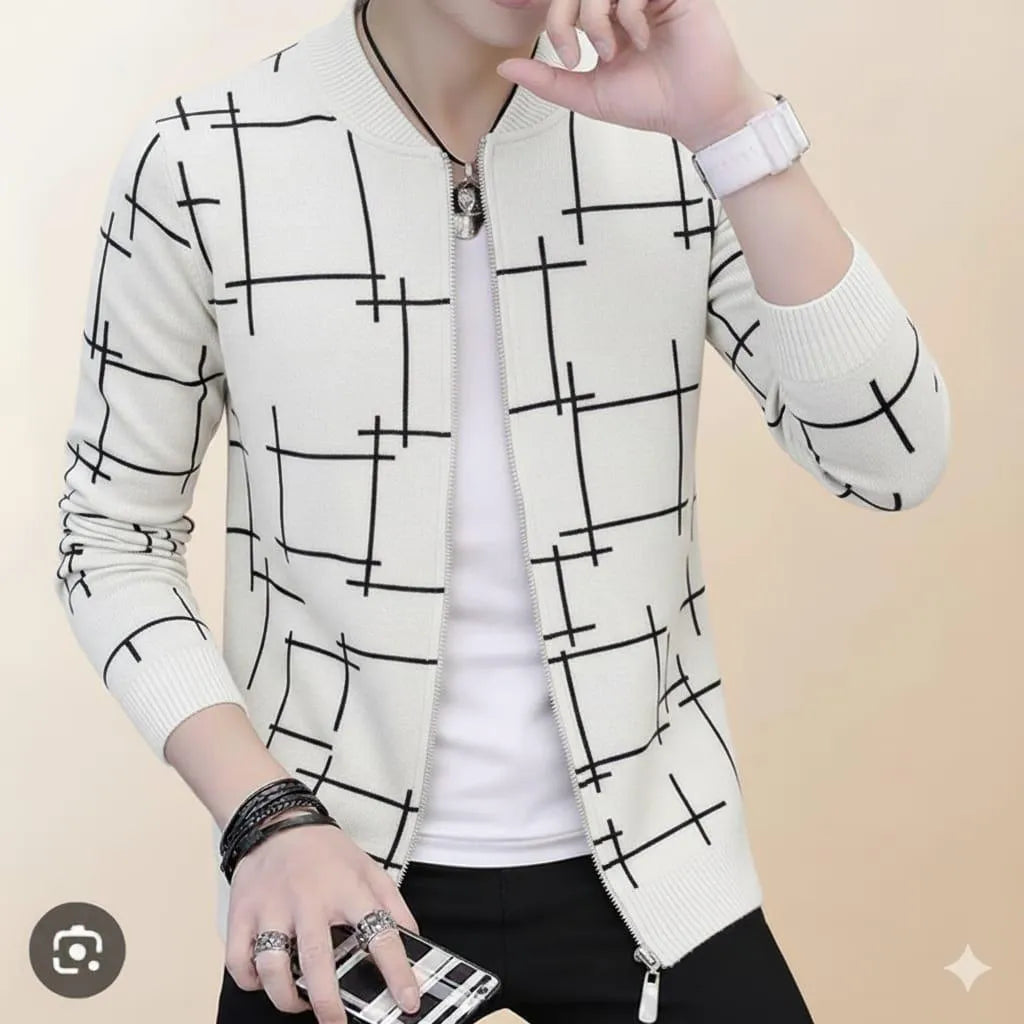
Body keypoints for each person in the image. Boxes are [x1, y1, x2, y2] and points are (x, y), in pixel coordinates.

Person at [53, 1, 951, 1022]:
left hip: (665, 872)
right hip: (332, 890)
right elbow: (109, 540)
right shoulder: (201, 157)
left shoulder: (674, 139)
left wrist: (731, 125)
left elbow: (893, 456)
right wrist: (265, 816)